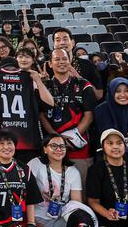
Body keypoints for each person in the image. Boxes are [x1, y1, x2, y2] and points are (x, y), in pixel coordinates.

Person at [0, 48, 54, 162]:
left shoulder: (30, 78)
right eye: (6, 69)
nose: (10, 71)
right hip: (3, 141)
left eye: (13, 69)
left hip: (28, 139)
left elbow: (50, 104)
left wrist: (38, 80)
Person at [40, 48, 96, 177]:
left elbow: (89, 116)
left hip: (79, 151)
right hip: (52, 150)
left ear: (69, 61)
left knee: (80, 192)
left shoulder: (83, 84)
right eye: (57, 59)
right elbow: (41, 114)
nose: (61, 62)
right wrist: (55, 138)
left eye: (64, 59)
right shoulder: (44, 86)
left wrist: (71, 137)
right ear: (50, 63)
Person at [28, 134, 84, 227]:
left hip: (60, 218)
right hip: (40, 219)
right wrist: (32, 222)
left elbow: (76, 203)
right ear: (45, 149)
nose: (59, 149)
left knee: (80, 215)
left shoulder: (73, 172)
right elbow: (24, 193)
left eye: (62, 146)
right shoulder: (35, 164)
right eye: (54, 146)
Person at [92, 77, 128, 165]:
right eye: (118, 91)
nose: (123, 95)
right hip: (107, 160)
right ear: (111, 92)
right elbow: (101, 139)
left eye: (127, 91)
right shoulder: (101, 111)